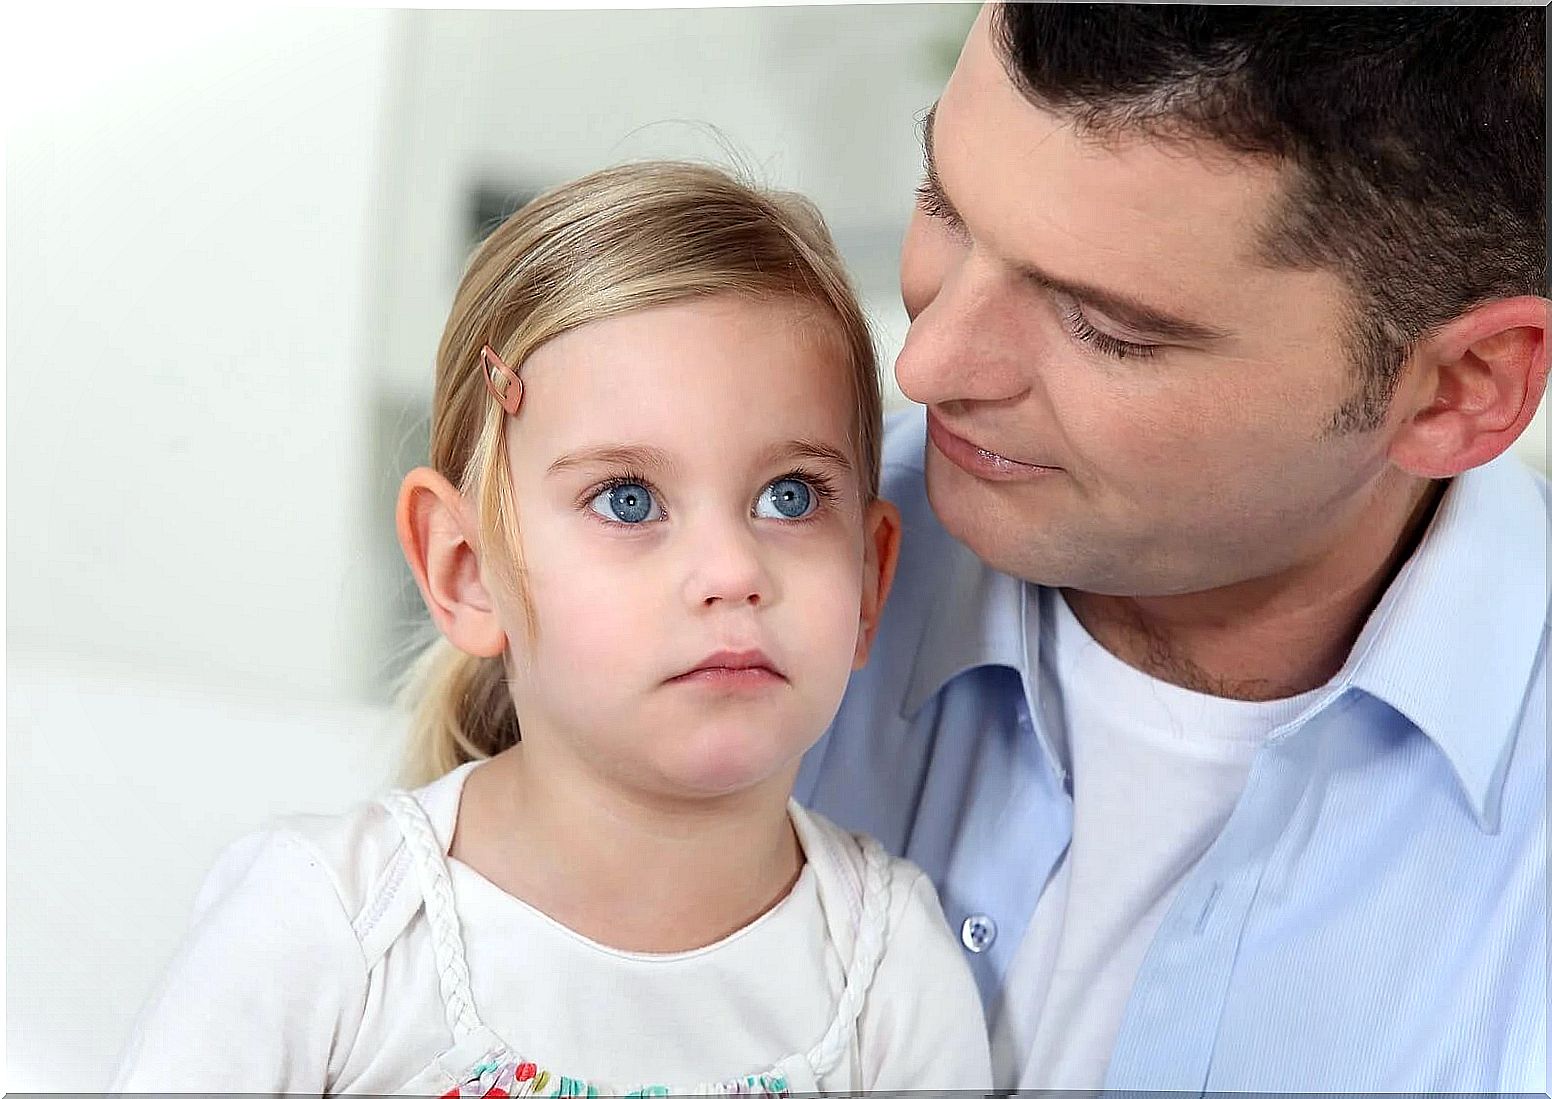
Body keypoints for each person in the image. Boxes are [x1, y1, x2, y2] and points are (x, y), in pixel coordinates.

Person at [109, 162, 993, 1095]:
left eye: (789, 496)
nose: (733, 571)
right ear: (465, 568)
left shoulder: (890, 974)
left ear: (868, 577)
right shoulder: (327, 928)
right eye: (627, 498)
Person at [799, 4, 1547, 1094]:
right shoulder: (666, 593)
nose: (927, 365)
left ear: (1458, 389)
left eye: (1106, 327)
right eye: (944, 206)